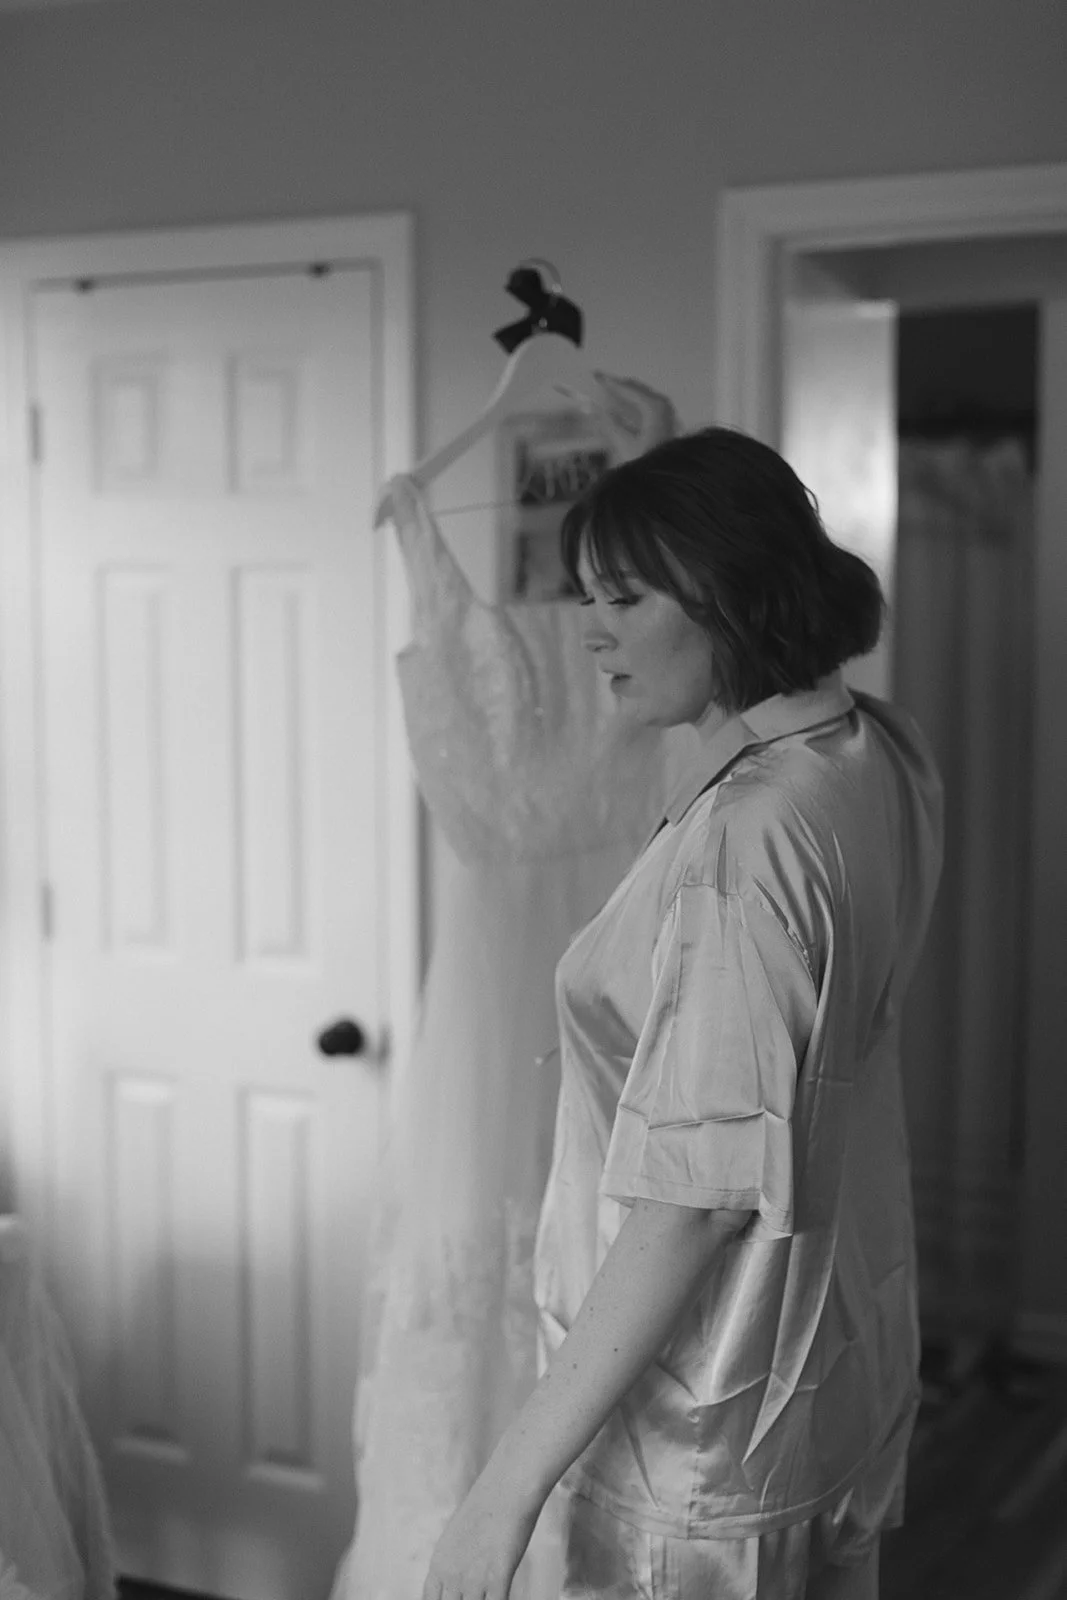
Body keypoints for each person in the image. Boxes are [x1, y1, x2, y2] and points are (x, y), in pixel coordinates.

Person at [421, 426, 944, 1600]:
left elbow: (694, 1202)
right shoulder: (871, 749)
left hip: (703, 1417)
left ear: (728, 591)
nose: (590, 629)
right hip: (833, 1353)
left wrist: (504, 1487)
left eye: (624, 597)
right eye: (588, 596)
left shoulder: (748, 839)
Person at [331, 379, 694, 1600]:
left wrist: (655, 450)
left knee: (622, 1250)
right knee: (489, 1275)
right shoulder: (427, 542)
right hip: (494, 1017)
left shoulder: (655, 636)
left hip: (621, 958)